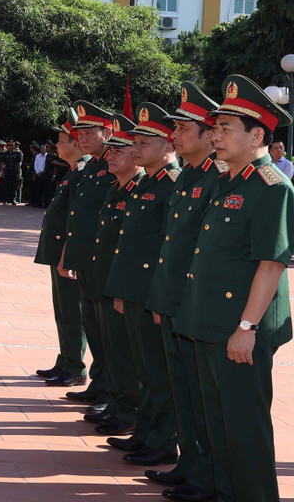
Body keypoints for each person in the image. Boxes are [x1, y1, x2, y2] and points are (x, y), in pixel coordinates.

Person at [176, 75, 294, 502]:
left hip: (241, 326)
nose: (215, 135)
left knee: (244, 428)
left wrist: (247, 326)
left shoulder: (271, 187)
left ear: (257, 134)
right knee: (218, 422)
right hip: (209, 321)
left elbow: (271, 263)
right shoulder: (230, 180)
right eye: (215, 127)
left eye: (225, 128)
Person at [142, 82, 220, 501]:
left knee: (198, 392)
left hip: (195, 303)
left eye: (182, 128)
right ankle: (189, 463)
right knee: (183, 390)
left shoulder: (216, 178)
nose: (174, 135)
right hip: (174, 298)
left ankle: (204, 472)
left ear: (209, 135)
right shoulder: (189, 174)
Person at [102, 103, 180, 464]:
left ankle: (162, 441)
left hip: (153, 292)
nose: (135, 147)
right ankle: (145, 432)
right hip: (134, 289)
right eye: (134, 141)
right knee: (145, 368)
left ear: (168, 146)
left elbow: (169, 246)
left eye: (144, 141)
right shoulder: (148, 181)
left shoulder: (173, 184)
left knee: (159, 372)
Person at [81, 115, 144, 439]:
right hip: (107, 280)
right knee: (112, 347)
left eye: (119, 151)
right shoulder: (119, 188)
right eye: (112, 151)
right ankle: (120, 405)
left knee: (125, 353)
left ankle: (128, 410)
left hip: (125, 286)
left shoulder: (136, 189)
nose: (112, 156)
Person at [61, 101, 116, 410]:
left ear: (107, 132)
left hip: (102, 262)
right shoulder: (93, 166)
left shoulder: (114, 163)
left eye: (87, 131)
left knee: (108, 334)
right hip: (86, 260)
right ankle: (101, 383)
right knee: (94, 327)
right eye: (78, 132)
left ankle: (111, 391)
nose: (80, 137)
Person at [33, 109, 89, 387]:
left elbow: (77, 219)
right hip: (60, 252)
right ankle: (66, 359)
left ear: (76, 143)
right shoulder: (74, 171)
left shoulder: (82, 171)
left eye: (62, 140)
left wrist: (68, 253)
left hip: (68, 254)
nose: (57, 145)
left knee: (72, 311)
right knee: (62, 309)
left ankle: (75, 365)